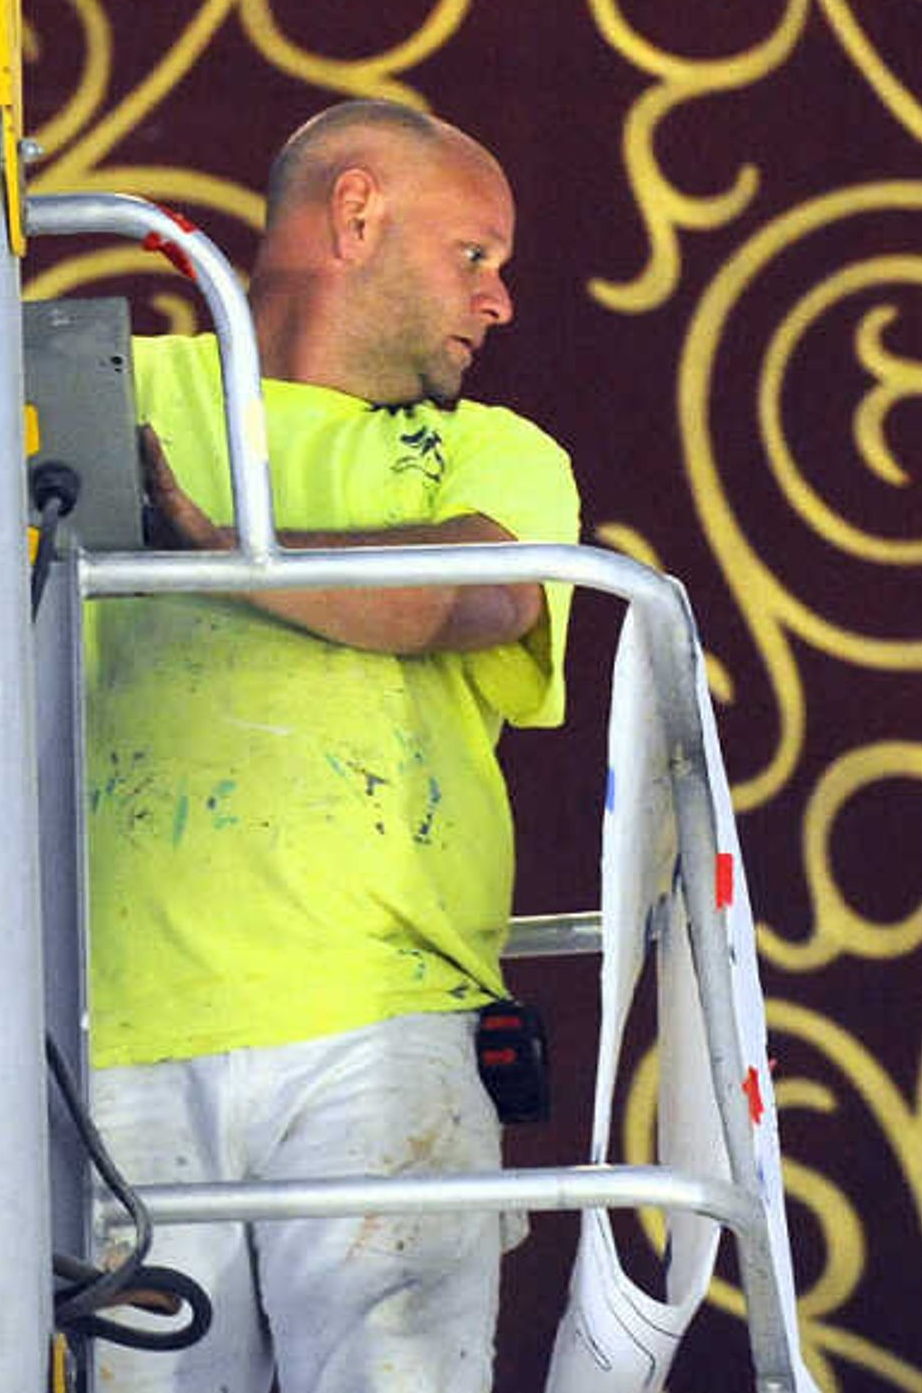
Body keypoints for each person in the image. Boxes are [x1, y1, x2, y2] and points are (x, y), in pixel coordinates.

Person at [86, 99, 578, 1393]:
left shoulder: (496, 454)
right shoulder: (108, 387)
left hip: (385, 1033)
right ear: (356, 214)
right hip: (102, 1039)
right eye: (476, 255)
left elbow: (473, 597)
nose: (501, 300)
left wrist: (213, 550)